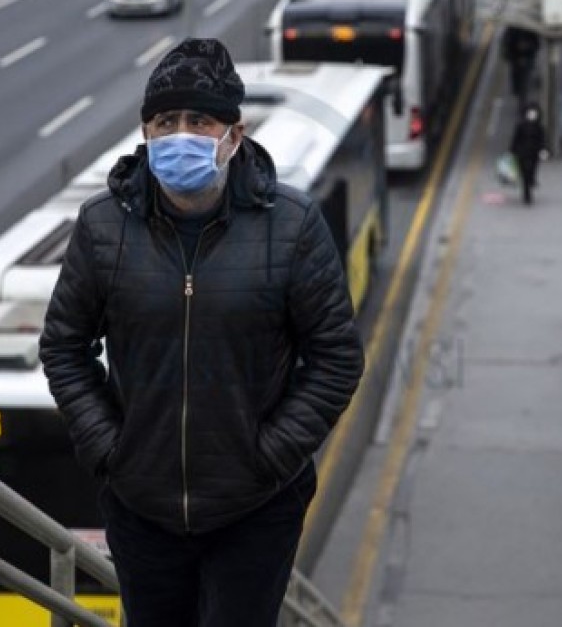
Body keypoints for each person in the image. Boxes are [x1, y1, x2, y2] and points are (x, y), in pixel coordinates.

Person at [40, 38, 365, 626]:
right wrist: (112, 452)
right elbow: (64, 346)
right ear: (145, 133)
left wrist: (269, 458)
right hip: (143, 510)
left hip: (256, 510)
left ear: (233, 136)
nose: (180, 134)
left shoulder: (291, 227)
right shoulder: (103, 226)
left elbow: (337, 356)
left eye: (200, 120)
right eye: (165, 121)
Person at [510, 106, 548, 205]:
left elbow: (542, 140)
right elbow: (515, 139)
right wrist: (512, 150)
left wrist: (543, 150)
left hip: (533, 153)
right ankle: (527, 192)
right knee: (525, 172)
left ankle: (529, 186)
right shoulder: (521, 126)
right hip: (523, 153)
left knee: (531, 170)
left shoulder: (539, 127)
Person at [501, 25, 541, 107]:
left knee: (527, 77)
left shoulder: (530, 29)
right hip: (516, 59)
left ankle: (524, 95)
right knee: (517, 79)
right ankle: (519, 93)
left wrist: (528, 47)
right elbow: (506, 44)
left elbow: (536, 44)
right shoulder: (512, 30)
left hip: (527, 58)